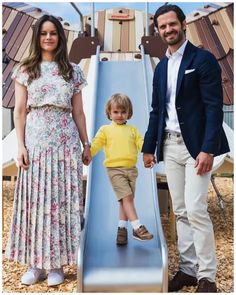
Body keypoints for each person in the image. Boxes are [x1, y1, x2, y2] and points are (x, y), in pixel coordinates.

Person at [142, 4, 229, 293]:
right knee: (179, 210)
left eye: (172, 24)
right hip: (169, 144)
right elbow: (157, 110)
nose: (168, 29)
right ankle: (189, 270)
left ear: (182, 25)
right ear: (158, 31)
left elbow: (214, 107)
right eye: (162, 26)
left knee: (195, 209)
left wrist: (208, 149)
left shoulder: (202, 59)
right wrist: (149, 146)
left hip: (196, 148)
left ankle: (208, 276)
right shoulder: (162, 67)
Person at [5, 15, 92, 287]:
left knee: (61, 203)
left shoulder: (72, 71)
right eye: (44, 33)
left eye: (53, 33)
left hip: (65, 143)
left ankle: (56, 264)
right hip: (36, 141)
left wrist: (86, 143)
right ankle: (36, 263)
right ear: (37, 36)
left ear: (60, 37)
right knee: (36, 201)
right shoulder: (26, 69)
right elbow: (19, 111)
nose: (48, 38)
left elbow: (78, 111)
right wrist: (20, 146)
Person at [90, 93, 153, 245]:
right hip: (115, 169)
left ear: (129, 113)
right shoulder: (105, 130)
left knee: (125, 201)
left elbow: (141, 143)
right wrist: (88, 154)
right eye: (116, 112)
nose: (119, 115)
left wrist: (148, 153)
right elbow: (97, 143)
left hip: (131, 170)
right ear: (109, 113)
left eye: (123, 112)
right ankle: (137, 227)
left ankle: (121, 230)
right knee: (128, 198)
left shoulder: (133, 130)